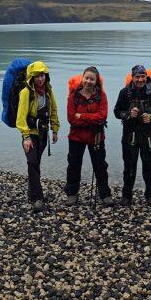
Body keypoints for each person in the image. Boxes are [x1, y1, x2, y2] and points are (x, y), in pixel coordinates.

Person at [113, 65, 151, 206]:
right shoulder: (125, 93)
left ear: (146, 76)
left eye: (143, 76)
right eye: (137, 77)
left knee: (149, 165)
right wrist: (128, 114)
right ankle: (126, 195)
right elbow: (117, 112)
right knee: (129, 166)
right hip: (130, 135)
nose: (140, 79)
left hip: (148, 135)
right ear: (133, 77)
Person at [65, 66, 114, 206]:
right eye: (87, 78)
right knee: (73, 165)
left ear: (96, 81)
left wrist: (82, 116)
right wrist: (91, 118)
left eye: (92, 79)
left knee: (100, 166)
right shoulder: (73, 96)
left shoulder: (101, 96)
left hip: (96, 137)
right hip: (76, 137)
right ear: (82, 78)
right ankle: (72, 194)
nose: (89, 81)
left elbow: (102, 117)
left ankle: (105, 194)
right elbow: (71, 119)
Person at [16, 61, 59, 212]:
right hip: (30, 135)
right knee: (32, 162)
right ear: (32, 77)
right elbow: (20, 118)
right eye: (37, 76)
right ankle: (37, 198)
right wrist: (26, 137)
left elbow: (53, 110)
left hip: (43, 134)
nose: (40, 79)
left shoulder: (48, 91)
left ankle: (31, 193)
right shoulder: (26, 93)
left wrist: (55, 130)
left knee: (35, 164)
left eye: (43, 75)